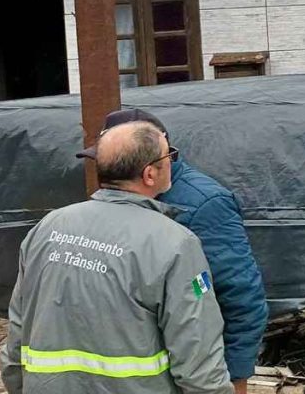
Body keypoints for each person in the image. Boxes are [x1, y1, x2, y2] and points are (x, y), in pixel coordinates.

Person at [0, 120, 232, 393]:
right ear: (149, 174)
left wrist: (17, 384)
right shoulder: (176, 244)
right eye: (169, 155)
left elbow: (18, 325)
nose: (172, 161)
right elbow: (197, 352)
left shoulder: (48, 227)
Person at [100, 109, 269, 394]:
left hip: (190, 371)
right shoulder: (124, 199)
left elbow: (241, 298)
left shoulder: (203, 205)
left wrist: (235, 378)